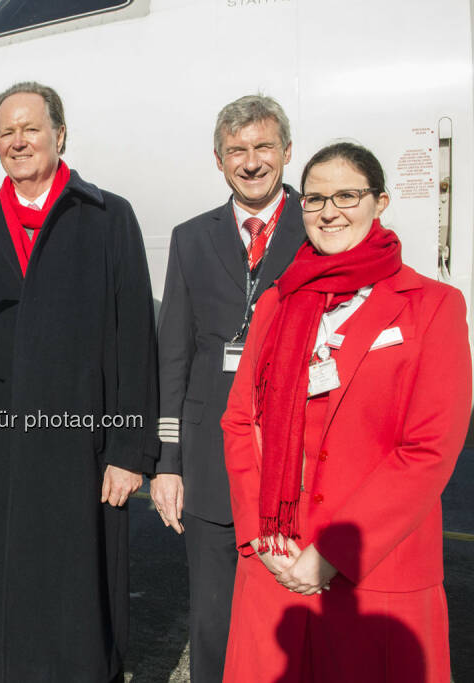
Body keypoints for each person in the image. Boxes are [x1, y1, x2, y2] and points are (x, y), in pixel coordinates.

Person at [220, 142, 471, 682]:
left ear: (380, 202)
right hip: (277, 566)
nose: (329, 211)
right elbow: (240, 420)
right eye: (314, 199)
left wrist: (333, 551)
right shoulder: (277, 303)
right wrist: (257, 538)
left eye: (347, 195)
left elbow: (428, 449)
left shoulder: (432, 307)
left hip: (373, 572)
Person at [0, 82, 159, 683]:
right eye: (7, 132)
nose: (18, 141)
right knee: (10, 597)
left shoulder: (109, 218)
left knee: (82, 602)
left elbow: (136, 342)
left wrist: (129, 451)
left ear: (60, 134)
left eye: (30, 128)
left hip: (84, 449)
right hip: (0, 448)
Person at [152, 94, 305, 681]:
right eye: (235, 150)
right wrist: (168, 462)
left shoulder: (316, 229)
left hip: (289, 459)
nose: (250, 161)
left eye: (263, 146)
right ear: (218, 160)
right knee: (213, 620)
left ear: (286, 152)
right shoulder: (191, 238)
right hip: (211, 459)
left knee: (286, 620)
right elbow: (175, 355)